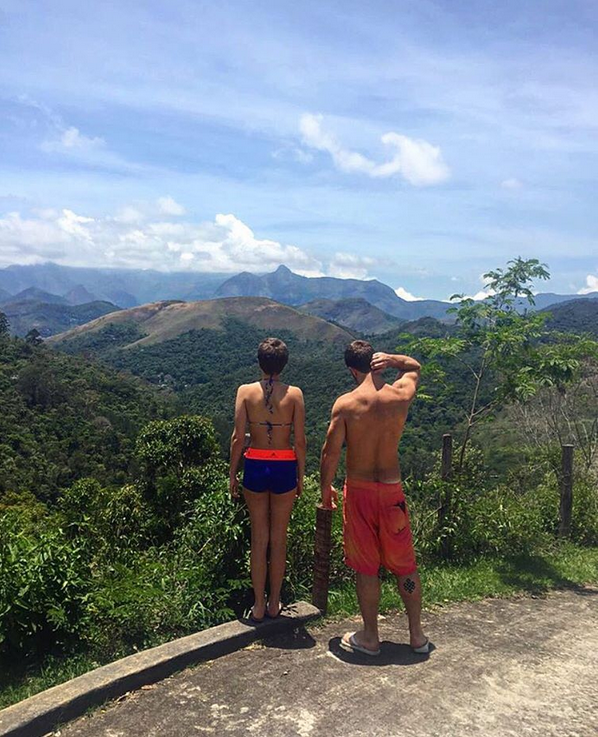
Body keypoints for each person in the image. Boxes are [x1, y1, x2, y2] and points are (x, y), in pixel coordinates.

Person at [320, 339, 428, 656]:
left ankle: (370, 638)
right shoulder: (400, 395)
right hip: (392, 492)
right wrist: (392, 359)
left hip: (361, 492)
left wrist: (326, 489)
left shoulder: (347, 405)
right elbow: (414, 366)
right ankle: (417, 635)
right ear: (375, 363)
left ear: (353, 370)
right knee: (405, 565)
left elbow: (330, 453)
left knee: (367, 567)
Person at [229, 337, 306, 622]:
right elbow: (300, 440)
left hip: (256, 465)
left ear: (259, 362)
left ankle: (258, 605)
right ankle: (275, 603)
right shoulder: (295, 394)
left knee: (258, 538)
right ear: (283, 364)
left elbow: (238, 438)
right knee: (279, 538)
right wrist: (301, 475)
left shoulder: (245, 392)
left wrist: (232, 473)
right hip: (285, 466)